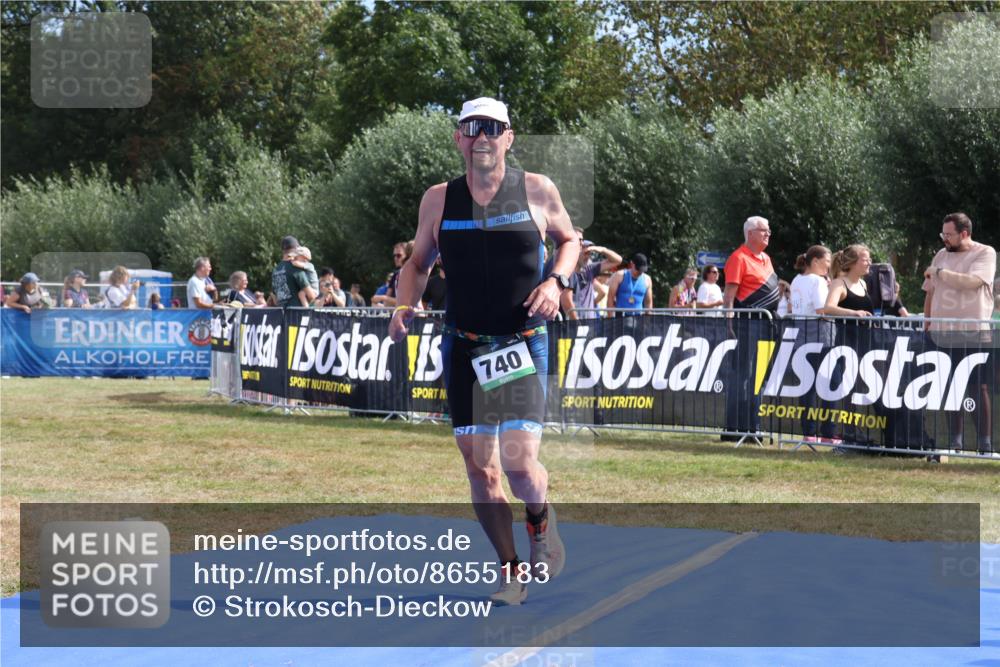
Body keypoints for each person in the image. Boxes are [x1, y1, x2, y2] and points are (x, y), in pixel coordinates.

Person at [389, 96, 578, 606]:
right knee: (481, 469)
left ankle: (540, 520)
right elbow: (418, 263)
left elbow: (570, 241)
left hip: (521, 343)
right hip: (465, 347)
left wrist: (556, 282)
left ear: (508, 137)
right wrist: (405, 305)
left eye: (492, 128)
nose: (482, 137)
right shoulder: (438, 200)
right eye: (471, 127)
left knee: (520, 467)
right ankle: (510, 570)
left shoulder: (537, 188)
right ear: (458, 138)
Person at [922, 212, 996, 452]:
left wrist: (939, 272)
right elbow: (930, 292)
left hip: (973, 332)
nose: (944, 238)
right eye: (943, 234)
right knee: (948, 386)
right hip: (941, 332)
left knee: (977, 387)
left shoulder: (985, 253)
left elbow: (972, 281)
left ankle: (984, 443)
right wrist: (927, 321)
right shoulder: (941, 255)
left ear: (964, 233)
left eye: (949, 234)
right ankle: (955, 441)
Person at [721, 216, 780, 439]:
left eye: (769, 230)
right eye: (764, 230)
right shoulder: (738, 258)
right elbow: (729, 296)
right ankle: (734, 428)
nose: (768, 234)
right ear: (750, 233)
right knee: (743, 375)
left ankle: (753, 425)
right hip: (747, 325)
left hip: (767, 325)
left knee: (760, 376)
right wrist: (729, 323)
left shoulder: (767, 258)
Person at [789, 245, 838, 444]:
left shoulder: (796, 280)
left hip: (801, 336)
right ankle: (828, 432)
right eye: (827, 261)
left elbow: (793, 307)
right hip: (821, 336)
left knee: (807, 387)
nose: (829, 266)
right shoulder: (818, 281)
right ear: (815, 261)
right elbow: (822, 310)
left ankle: (808, 431)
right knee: (831, 384)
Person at [559, 231, 622, 319]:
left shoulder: (590, 269)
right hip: (575, 321)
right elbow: (566, 300)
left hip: (590, 320)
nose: (588, 257)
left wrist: (603, 250)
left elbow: (618, 260)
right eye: (586, 253)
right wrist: (576, 321)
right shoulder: (568, 271)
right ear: (577, 251)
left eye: (590, 253)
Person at [271, 236, 317, 308]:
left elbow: (275, 300)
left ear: (283, 251)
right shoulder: (295, 266)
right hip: (298, 312)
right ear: (296, 249)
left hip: (282, 312)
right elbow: (311, 296)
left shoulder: (275, 270)